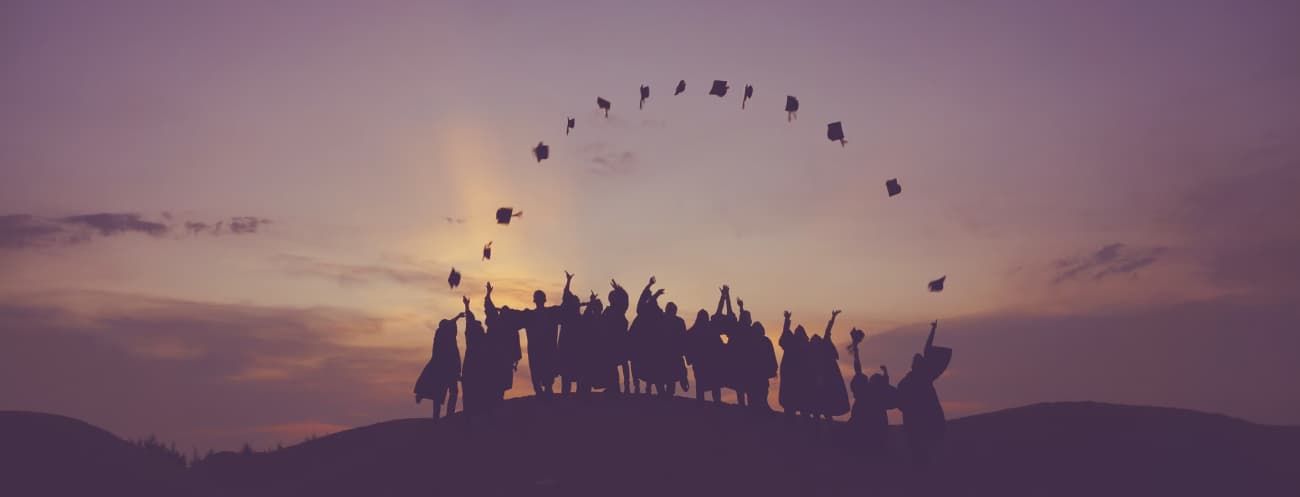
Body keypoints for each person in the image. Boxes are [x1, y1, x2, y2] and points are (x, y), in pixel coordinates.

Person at [897, 320, 953, 467]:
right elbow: (901, 398)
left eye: (917, 360)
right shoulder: (912, 379)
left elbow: (927, 349)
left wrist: (933, 330)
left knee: (925, 443)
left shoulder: (923, 376)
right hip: (916, 416)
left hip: (925, 414)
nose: (916, 362)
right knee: (919, 444)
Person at [520, 272, 577, 397]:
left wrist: (568, 284)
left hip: (544, 350)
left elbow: (566, 305)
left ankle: (544, 390)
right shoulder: (543, 314)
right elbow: (566, 306)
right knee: (541, 372)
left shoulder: (535, 315)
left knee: (543, 372)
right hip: (541, 350)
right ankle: (544, 390)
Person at [847, 328, 897, 456]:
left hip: (870, 427)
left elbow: (858, 368)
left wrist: (856, 346)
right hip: (869, 427)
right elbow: (858, 368)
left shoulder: (869, 392)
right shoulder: (870, 392)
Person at [414, 310, 464, 421]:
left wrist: (457, 317)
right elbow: (450, 324)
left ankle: (442, 416)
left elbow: (450, 324)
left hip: (448, 369)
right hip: (445, 369)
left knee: (447, 392)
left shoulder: (442, 336)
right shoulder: (442, 337)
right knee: (444, 393)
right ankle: (444, 416)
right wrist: (458, 317)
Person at [484, 282, 522, 407]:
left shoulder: (496, 322)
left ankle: (495, 405)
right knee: (499, 386)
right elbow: (489, 307)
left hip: (496, 359)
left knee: (495, 385)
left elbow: (489, 308)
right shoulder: (510, 327)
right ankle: (496, 404)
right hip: (502, 359)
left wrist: (488, 293)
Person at [809, 310, 850, 420]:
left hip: (827, 382)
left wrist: (833, 318)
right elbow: (827, 332)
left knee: (823, 409)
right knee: (821, 409)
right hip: (823, 383)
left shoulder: (820, 352)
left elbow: (827, 332)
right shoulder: (815, 355)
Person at [628, 276, 665, 395]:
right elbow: (644, 303)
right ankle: (637, 384)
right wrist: (651, 287)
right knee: (636, 360)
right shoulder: (643, 308)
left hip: (649, 338)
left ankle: (647, 386)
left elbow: (657, 310)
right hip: (640, 337)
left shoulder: (652, 307)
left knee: (649, 361)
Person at [459, 296, 491, 416]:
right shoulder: (481, 338)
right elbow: (470, 321)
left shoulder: (475, 337)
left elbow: (469, 321)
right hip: (475, 366)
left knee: (470, 392)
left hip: (473, 366)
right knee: (473, 391)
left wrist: (467, 306)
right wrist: (467, 306)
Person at [685, 309, 723, 403]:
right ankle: (715, 403)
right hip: (708, 363)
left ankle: (703, 403)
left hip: (704, 363)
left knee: (703, 384)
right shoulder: (710, 330)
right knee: (713, 385)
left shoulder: (693, 331)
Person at [779, 311, 811, 417]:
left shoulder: (804, 347)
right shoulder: (792, 344)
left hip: (800, 379)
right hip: (791, 378)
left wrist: (787, 320)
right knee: (791, 406)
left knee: (801, 405)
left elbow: (785, 334)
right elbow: (785, 333)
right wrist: (787, 320)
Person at [604, 279, 632, 394]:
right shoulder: (618, 311)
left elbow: (625, 297)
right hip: (617, 341)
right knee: (617, 364)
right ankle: (618, 387)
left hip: (616, 341)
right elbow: (626, 298)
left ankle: (619, 387)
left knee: (616, 364)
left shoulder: (617, 311)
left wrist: (618, 288)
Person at [657, 301, 690, 397]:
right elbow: (684, 338)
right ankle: (667, 395)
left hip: (664, 354)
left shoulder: (661, 319)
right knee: (670, 379)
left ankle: (664, 396)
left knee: (664, 377)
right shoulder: (679, 321)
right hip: (673, 355)